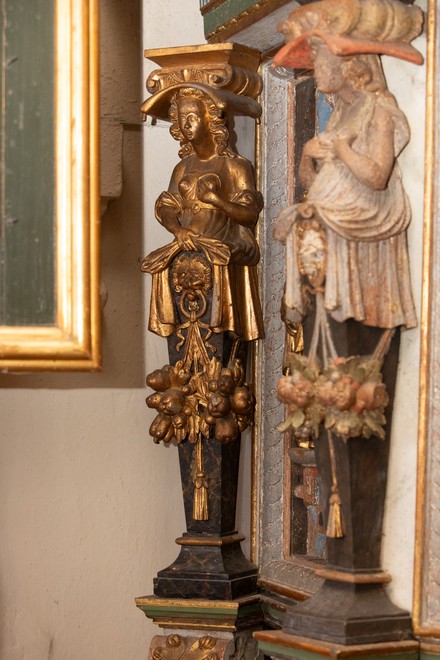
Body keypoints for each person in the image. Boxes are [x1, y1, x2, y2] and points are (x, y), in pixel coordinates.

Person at [274, 45, 417, 330]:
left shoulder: (378, 109)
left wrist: (342, 149)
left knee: (310, 223)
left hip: (367, 211)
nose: (316, 72)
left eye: (321, 65)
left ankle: (344, 314)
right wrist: (306, 156)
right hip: (335, 207)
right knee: (297, 220)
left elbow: (378, 176)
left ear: (347, 66)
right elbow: (314, 184)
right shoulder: (341, 111)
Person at [142, 86, 264, 341]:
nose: (186, 125)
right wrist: (178, 230)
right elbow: (167, 206)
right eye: (181, 118)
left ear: (211, 120)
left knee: (216, 331)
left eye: (192, 117)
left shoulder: (235, 166)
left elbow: (249, 216)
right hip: (186, 247)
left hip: (222, 248)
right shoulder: (182, 167)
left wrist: (217, 201)